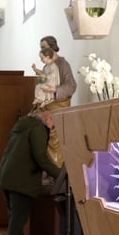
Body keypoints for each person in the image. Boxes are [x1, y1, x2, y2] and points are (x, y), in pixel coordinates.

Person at [0, 112, 62, 235]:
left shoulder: (25, 125)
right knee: (18, 220)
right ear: (48, 118)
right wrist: (60, 175)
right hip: (21, 180)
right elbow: (40, 157)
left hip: (8, 177)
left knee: (15, 217)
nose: (54, 128)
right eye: (54, 124)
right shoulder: (38, 128)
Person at [34, 36, 78, 168]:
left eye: (44, 47)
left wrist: (55, 90)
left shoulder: (63, 64)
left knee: (55, 137)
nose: (42, 50)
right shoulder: (47, 65)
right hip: (46, 105)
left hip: (58, 106)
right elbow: (44, 83)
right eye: (41, 48)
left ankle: (55, 170)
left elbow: (71, 86)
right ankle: (44, 169)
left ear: (52, 47)